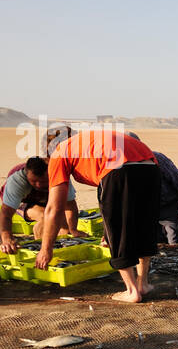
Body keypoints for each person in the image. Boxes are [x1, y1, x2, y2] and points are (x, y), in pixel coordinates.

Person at [41, 127, 160, 303]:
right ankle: (143, 283)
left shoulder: (60, 152)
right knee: (143, 224)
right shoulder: (87, 140)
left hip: (118, 168)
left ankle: (132, 291)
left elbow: (54, 208)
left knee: (119, 231)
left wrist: (45, 249)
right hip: (151, 166)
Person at [0, 156, 80, 253]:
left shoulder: (59, 175)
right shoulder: (17, 182)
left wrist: (73, 229)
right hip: (23, 200)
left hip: (46, 197)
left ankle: (58, 250)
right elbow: (6, 214)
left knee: (64, 228)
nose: (38, 185)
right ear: (26, 175)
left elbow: (70, 205)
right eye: (34, 181)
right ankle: (41, 249)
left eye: (43, 181)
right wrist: (7, 239)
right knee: (45, 216)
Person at [127, 133, 178, 243]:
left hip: (169, 208)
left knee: (175, 242)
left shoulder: (157, 159)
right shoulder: (122, 164)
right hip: (146, 210)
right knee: (153, 244)